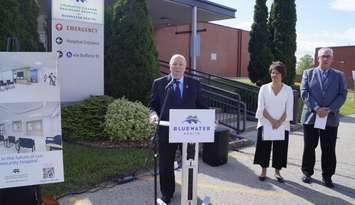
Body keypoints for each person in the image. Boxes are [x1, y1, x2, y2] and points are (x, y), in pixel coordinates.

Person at [149, 54, 206, 204]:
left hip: (189, 131)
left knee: (190, 162)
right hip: (166, 131)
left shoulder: (194, 84)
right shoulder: (160, 83)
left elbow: (202, 106)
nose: (178, 66)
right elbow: (153, 105)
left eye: (181, 64)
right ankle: (167, 193)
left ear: (185, 66)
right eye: (175, 64)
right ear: (170, 66)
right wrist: (153, 115)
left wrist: (209, 119)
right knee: (166, 163)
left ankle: (189, 193)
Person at [300, 47, 347, 188]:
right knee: (309, 147)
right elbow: (304, 92)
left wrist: (329, 109)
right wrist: (316, 108)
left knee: (329, 149)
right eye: (323, 56)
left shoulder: (339, 75)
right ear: (318, 58)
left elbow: (342, 94)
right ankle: (307, 172)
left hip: (330, 118)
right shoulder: (308, 73)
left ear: (332, 59)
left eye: (328, 56)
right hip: (311, 117)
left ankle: (327, 176)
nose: (325, 59)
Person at [253, 61, 294, 183]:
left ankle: (277, 172)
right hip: (266, 122)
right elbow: (261, 107)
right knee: (263, 148)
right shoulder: (264, 88)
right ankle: (263, 170)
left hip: (282, 124)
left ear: (282, 74)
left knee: (280, 149)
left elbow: (289, 108)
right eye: (272, 72)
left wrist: (279, 122)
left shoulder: (288, 89)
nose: (274, 75)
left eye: (277, 73)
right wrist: (272, 121)